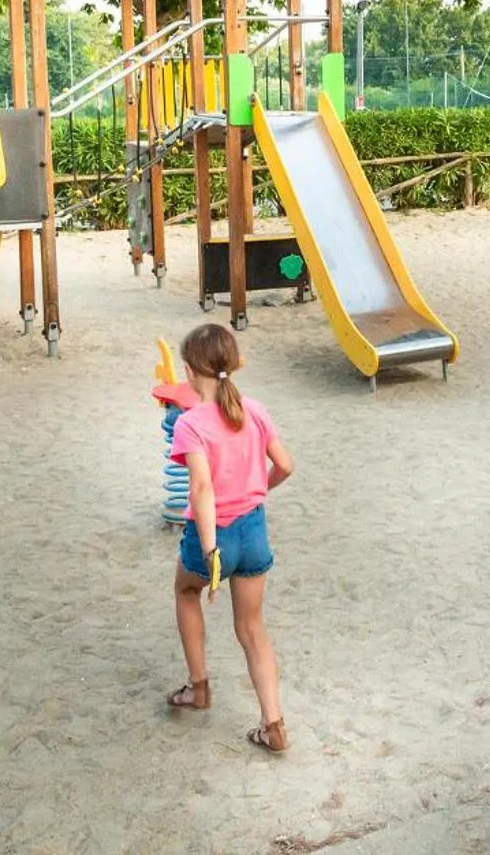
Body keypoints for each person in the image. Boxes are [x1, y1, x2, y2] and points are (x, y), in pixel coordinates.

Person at [164, 322, 296, 753]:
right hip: (254, 527)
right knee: (252, 626)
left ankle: (198, 687)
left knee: (186, 590)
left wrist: (208, 546)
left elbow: (201, 489)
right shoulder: (253, 408)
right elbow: (286, 465)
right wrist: (259, 487)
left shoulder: (191, 423)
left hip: (216, 532)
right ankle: (272, 722)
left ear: (188, 371)